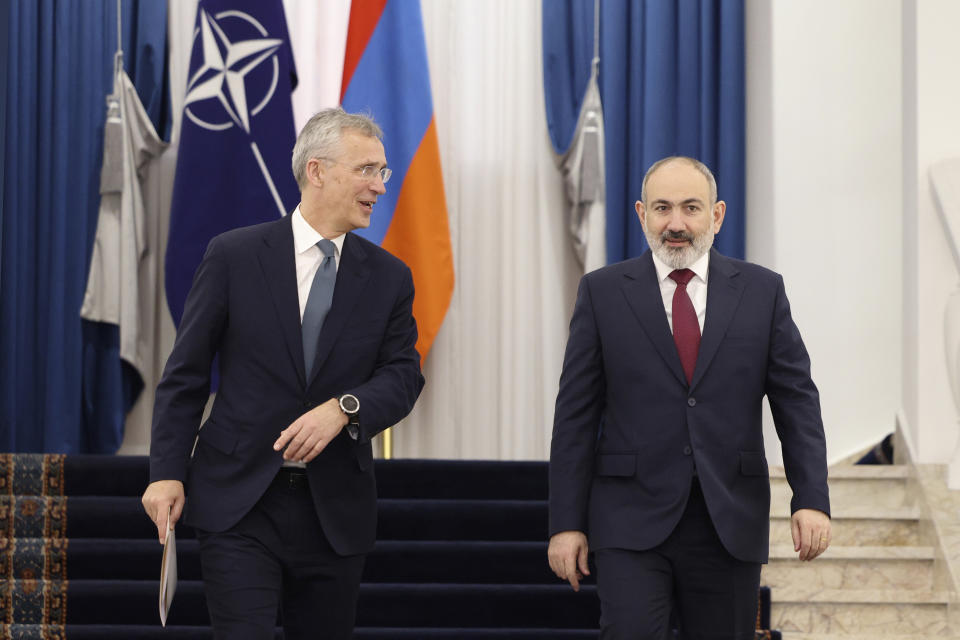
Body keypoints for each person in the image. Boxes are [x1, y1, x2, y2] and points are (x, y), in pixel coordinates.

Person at [141, 108, 424, 640]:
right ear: (317, 171)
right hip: (239, 502)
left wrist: (345, 409)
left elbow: (403, 377)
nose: (379, 186)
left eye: (382, 172)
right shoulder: (234, 256)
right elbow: (186, 375)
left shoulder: (389, 277)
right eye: (367, 170)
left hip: (335, 513)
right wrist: (166, 470)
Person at [547, 156, 831, 639]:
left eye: (690, 208)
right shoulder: (602, 293)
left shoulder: (763, 291)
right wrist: (566, 523)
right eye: (662, 208)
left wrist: (812, 498)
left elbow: (796, 401)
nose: (675, 224)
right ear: (641, 214)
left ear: (716, 216)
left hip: (728, 517)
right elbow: (575, 415)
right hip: (628, 519)